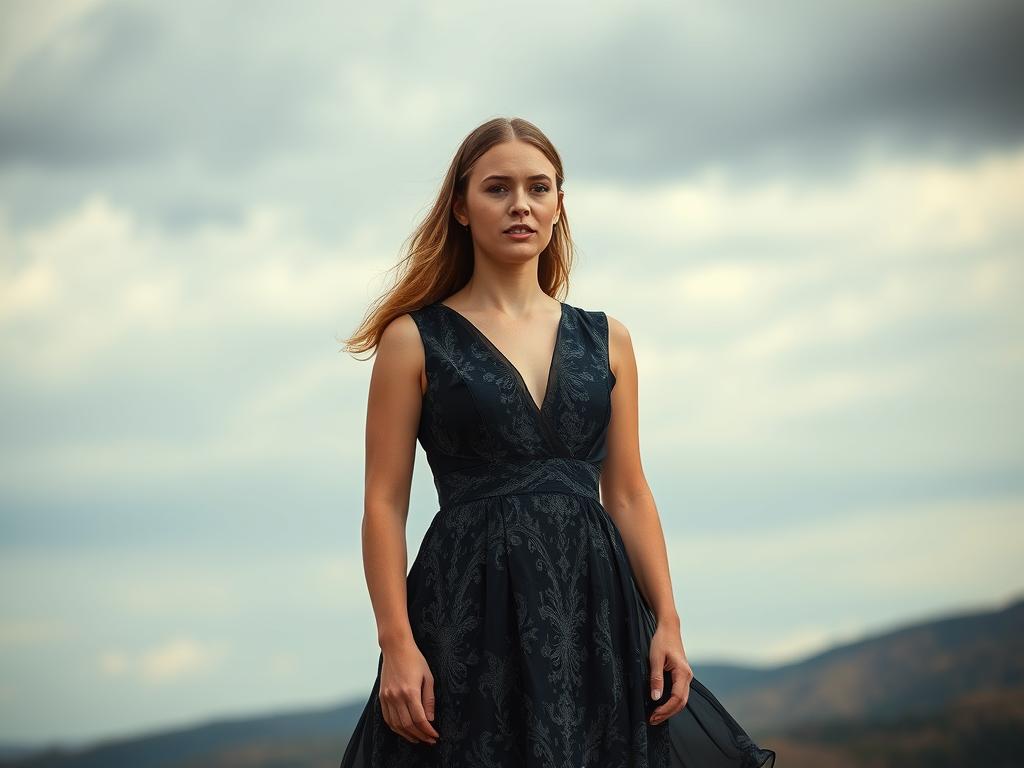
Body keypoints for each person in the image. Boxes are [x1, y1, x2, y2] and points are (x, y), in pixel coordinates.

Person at [337, 116, 775, 767]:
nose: (521, 205)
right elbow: (382, 504)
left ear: (559, 204)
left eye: (539, 188)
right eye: (497, 188)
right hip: (469, 605)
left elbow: (627, 492)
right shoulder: (413, 339)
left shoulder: (608, 339)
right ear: (460, 206)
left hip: (595, 608)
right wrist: (396, 643)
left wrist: (669, 623)